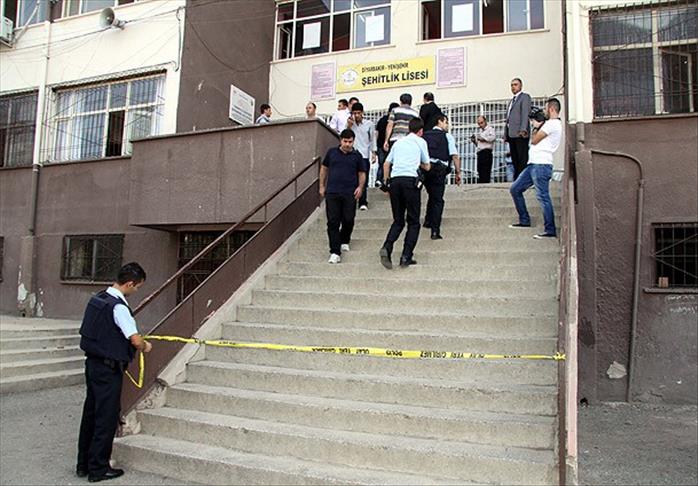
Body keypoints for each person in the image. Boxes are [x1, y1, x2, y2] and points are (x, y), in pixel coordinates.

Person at [76, 262, 153, 482]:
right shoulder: (118, 307)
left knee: (91, 414)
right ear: (129, 283)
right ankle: (99, 469)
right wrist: (146, 346)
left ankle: (84, 464)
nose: (136, 290)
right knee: (106, 418)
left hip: (93, 364)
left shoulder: (98, 299)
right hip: (109, 369)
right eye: (137, 287)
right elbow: (135, 339)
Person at [379, 118, 431, 269]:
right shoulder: (421, 142)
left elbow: (386, 164)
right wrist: (417, 162)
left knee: (398, 220)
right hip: (410, 182)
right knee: (413, 221)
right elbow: (427, 166)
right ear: (420, 131)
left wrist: (386, 183)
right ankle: (406, 256)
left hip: (395, 182)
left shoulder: (398, 143)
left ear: (409, 129)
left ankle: (387, 246)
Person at [509, 98, 562, 239]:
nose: (544, 111)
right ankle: (524, 220)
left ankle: (550, 230)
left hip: (541, 165)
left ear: (551, 109)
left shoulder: (552, 124)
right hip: (533, 164)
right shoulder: (549, 124)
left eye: (545, 108)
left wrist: (537, 126)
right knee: (515, 189)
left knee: (543, 197)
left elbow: (534, 140)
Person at [319, 129, 367, 263]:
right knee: (333, 221)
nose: (347, 144)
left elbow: (362, 173)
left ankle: (345, 239)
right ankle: (335, 251)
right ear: (340, 140)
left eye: (350, 142)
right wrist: (321, 186)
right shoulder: (332, 153)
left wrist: (360, 187)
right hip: (332, 192)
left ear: (353, 141)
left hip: (349, 193)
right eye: (345, 141)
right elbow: (324, 169)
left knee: (348, 219)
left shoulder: (357, 156)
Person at [423, 115, 461, 240]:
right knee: (438, 199)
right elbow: (454, 155)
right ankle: (435, 231)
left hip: (425, 168)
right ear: (439, 121)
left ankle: (428, 220)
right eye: (446, 122)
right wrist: (458, 172)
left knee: (431, 194)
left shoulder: (425, 135)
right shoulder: (447, 136)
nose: (447, 125)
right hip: (439, 169)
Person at [349, 102, 376, 211]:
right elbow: (344, 136)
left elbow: (372, 139)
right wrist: (349, 126)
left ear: (362, 113)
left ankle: (363, 202)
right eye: (354, 113)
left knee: (363, 180)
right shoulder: (350, 124)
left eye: (358, 113)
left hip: (364, 155)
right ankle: (351, 201)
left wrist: (374, 153)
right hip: (352, 155)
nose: (356, 115)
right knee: (352, 179)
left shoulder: (369, 124)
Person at [504, 78, 532, 179]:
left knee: (522, 158)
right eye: (511, 85)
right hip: (511, 134)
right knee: (514, 158)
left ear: (521, 86)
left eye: (515, 85)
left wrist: (523, 129)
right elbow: (508, 119)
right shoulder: (511, 101)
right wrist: (505, 134)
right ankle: (518, 178)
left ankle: (523, 178)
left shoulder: (524, 97)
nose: (513, 87)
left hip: (520, 133)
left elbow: (525, 114)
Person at [375, 102, 399, 187]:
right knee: (390, 163)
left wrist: (376, 146)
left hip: (380, 145)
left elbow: (376, 133)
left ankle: (379, 180)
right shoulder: (395, 121)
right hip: (390, 144)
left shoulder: (382, 119)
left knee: (381, 164)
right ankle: (388, 181)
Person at [471, 115, 496, 183]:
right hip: (480, 153)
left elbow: (493, 138)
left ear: (485, 121)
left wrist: (483, 138)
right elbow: (479, 145)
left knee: (486, 171)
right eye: (479, 123)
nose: (480, 125)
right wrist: (474, 141)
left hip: (486, 152)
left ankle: (485, 184)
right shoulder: (481, 131)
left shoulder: (490, 129)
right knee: (480, 170)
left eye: (481, 123)